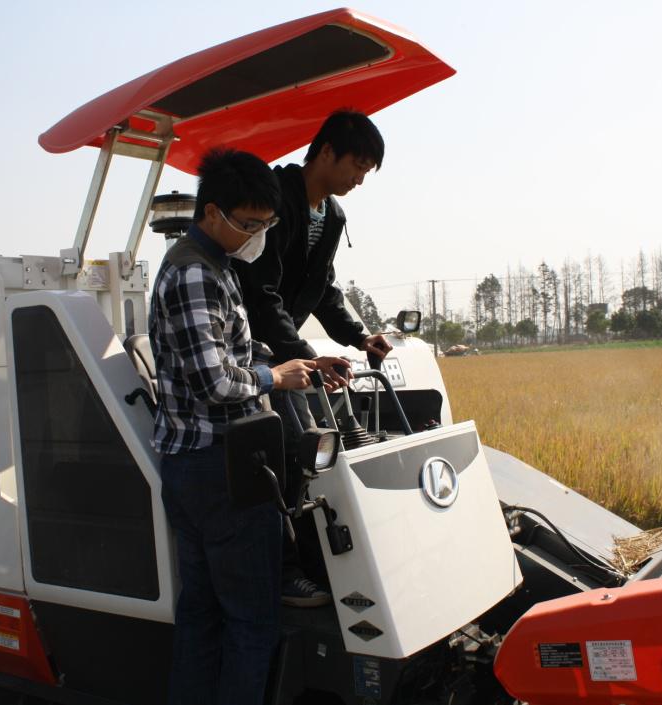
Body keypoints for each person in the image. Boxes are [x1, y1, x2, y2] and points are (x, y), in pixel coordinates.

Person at [150, 147, 316, 705]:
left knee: (202, 613)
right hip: (221, 468)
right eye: (249, 224)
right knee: (251, 620)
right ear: (212, 212)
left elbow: (231, 351)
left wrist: (296, 362)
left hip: (196, 467)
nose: (256, 235)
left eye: (265, 225)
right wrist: (275, 378)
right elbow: (215, 383)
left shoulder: (213, 263)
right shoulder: (195, 272)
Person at [232, 110, 393, 607]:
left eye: (367, 170)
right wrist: (305, 357)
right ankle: (285, 571)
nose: (360, 179)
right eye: (357, 165)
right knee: (293, 449)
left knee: (318, 447)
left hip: (285, 350)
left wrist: (359, 337)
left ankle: (326, 556)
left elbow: (322, 288)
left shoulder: (332, 216)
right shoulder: (275, 198)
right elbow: (261, 294)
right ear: (326, 152)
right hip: (248, 349)